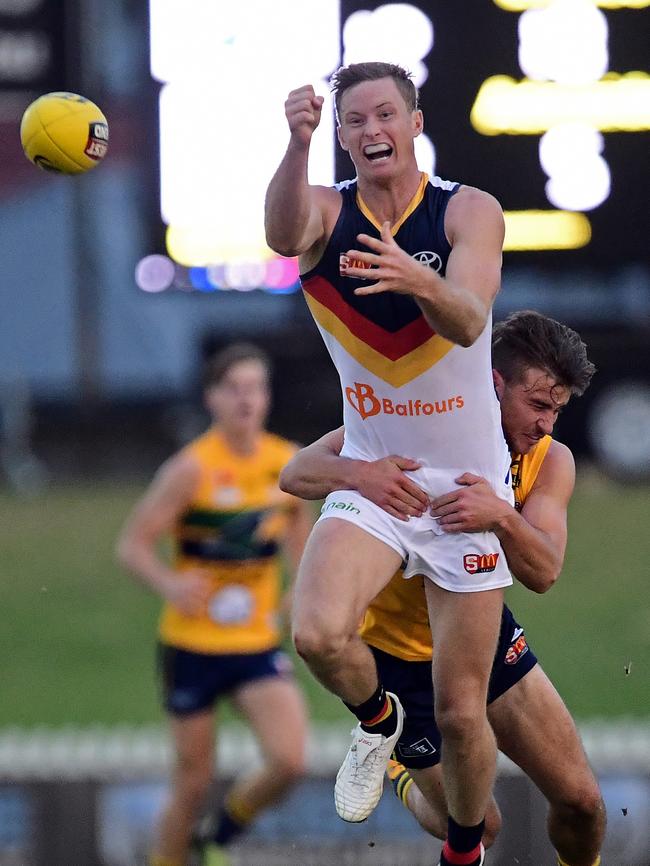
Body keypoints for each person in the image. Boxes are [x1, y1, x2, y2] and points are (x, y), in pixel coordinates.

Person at [265, 60, 511, 865]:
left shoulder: (469, 211)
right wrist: (296, 144)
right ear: (342, 135)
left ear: (414, 122)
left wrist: (415, 278)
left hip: (466, 491)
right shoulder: (327, 216)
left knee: (465, 714)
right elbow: (278, 232)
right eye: (354, 122)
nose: (371, 132)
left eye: (384, 116)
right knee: (316, 634)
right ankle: (379, 725)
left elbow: (472, 321)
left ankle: (465, 852)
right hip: (377, 474)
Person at [279, 311, 605, 866]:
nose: (548, 424)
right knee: (483, 826)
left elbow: (545, 571)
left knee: (582, 805)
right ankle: (398, 762)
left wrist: (501, 516)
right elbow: (297, 472)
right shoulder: (423, 419)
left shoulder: (551, 462)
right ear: (494, 385)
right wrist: (362, 475)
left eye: (557, 410)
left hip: (482, 639)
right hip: (397, 662)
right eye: (539, 404)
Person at [116, 343, 314, 866]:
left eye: (256, 388)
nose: (246, 400)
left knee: (290, 760)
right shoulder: (191, 469)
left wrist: (299, 591)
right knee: (192, 780)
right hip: (192, 645)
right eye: (235, 389)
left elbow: (305, 544)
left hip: (253, 643)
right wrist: (171, 585)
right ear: (212, 398)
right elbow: (132, 544)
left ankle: (221, 833)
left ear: (268, 397)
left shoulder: (288, 464)